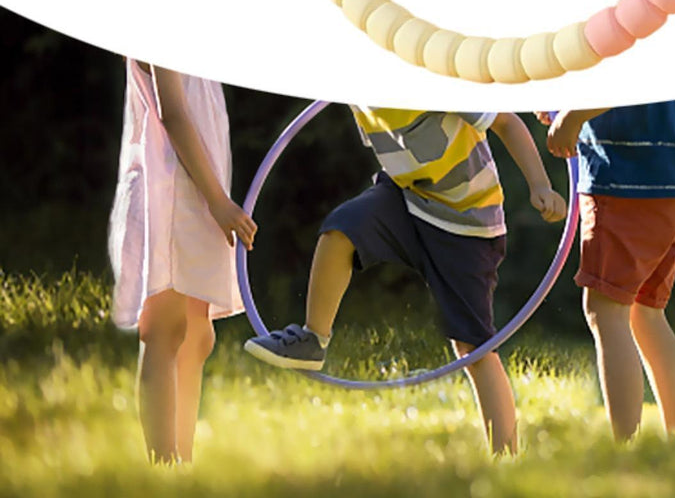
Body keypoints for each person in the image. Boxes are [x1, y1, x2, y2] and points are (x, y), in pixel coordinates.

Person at [245, 108, 565, 455]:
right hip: (407, 197)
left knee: (473, 348)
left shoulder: (435, 80)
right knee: (341, 229)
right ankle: (313, 339)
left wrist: (540, 185)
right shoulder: (361, 95)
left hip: (466, 220)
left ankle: (505, 455)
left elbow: (506, 121)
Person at [108, 60, 257, 464]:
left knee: (196, 334)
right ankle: (164, 463)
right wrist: (218, 201)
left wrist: (215, 198)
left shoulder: (196, 36)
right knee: (165, 328)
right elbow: (172, 113)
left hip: (199, 194)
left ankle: (182, 463)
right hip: (170, 192)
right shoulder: (161, 28)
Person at [544, 100, 675, 441]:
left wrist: (574, 115)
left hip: (625, 177)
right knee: (647, 313)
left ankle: (625, 448)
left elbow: (621, 77)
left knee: (605, 310)